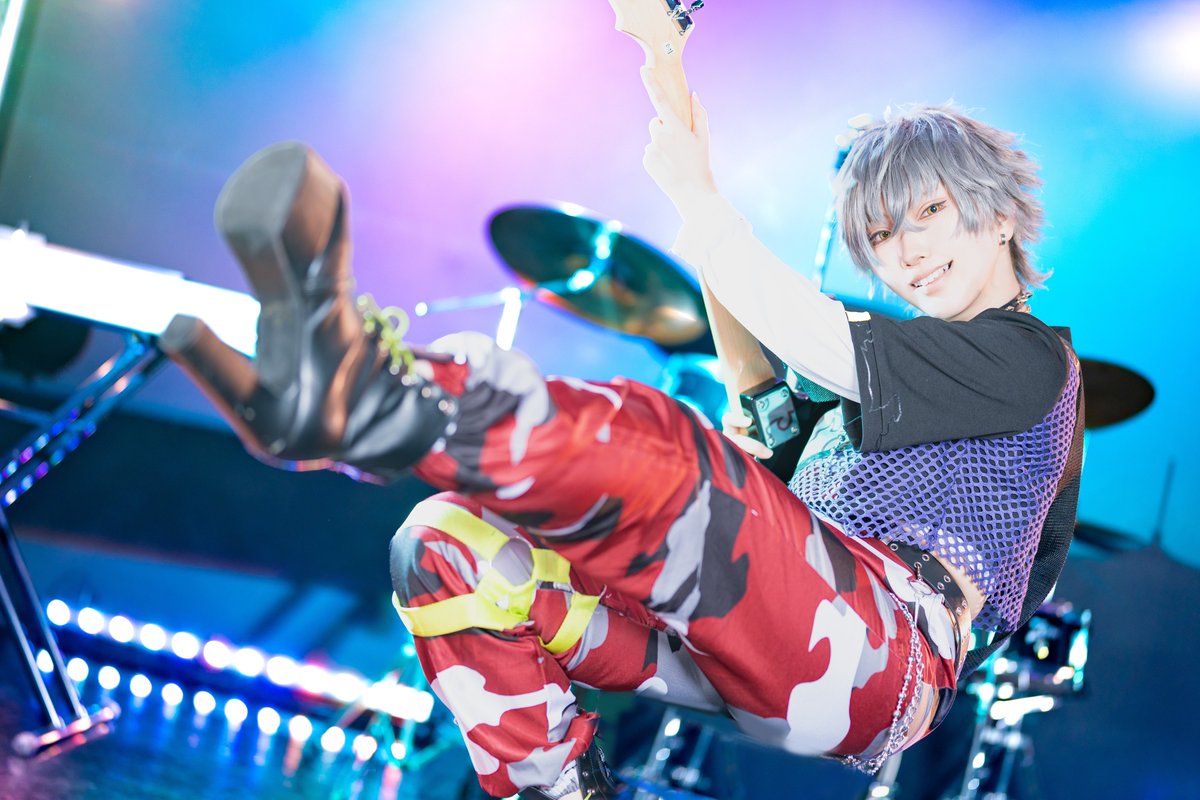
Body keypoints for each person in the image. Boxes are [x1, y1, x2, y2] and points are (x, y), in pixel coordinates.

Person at [162, 78, 1083, 799]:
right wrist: (698, 196)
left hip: (881, 662)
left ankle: (382, 400)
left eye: (929, 213)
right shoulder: (882, 399)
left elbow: (824, 349)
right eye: (880, 234)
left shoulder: (1030, 360)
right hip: (752, 644)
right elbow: (765, 408)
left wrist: (702, 201)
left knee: (673, 447)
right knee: (446, 543)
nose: (906, 251)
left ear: (999, 213)